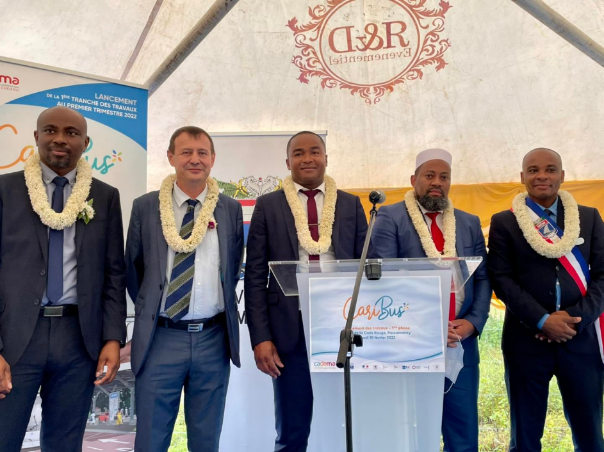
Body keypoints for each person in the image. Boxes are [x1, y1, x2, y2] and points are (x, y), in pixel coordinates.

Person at [0, 106, 127, 451]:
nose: (60, 139)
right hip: (14, 340)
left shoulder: (105, 196)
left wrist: (113, 338)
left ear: (85, 142)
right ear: (36, 136)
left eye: (71, 133)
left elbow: (113, 274)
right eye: (51, 130)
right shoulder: (5, 190)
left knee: (65, 443)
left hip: (78, 340)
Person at [245, 131, 368, 451]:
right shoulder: (268, 205)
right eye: (298, 153)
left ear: (326, 158)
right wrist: (260, 337)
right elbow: (255, 276)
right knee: (292, 427)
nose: (307, 158)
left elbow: (365, 266)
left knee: (346, 421)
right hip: (289, 330)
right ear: (288, 162)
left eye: (315, 151)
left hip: (341, 327)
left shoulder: (351, 205)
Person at [126, 126, 244, 452]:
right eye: (186, 152)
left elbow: (232, 268)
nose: (195, 159)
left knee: (206, 441)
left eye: (202, 153)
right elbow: (134, 269)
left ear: (213, 159)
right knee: (151, 440)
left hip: (213, 340)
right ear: (171, 157)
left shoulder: (230, 209)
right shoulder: (146, 207)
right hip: (160, 338)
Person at [369, 148, 491, 452]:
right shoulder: (390, 217)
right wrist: (426, 327)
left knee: (462, 433)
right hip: (411, 344)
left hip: (460, 341)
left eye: (444, 177)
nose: (437, 182)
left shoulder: (468, 222)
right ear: (414, 180)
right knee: (412, 430)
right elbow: (385, 280)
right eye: (429, 175)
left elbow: (483, 278)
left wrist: (473, 323)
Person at [488, 148, 604, 452]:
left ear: (562, 176)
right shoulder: (505, 222)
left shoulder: (589, 217)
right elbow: (501, 279)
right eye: (534, 170)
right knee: (525, 437)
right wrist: (542, 320)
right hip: (526, 341)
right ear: (522, 176)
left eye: (550, 169)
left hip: (580, 341)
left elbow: (603, 276)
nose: (542, 176)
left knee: (590, 434)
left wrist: (575, 321)